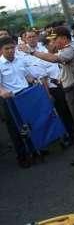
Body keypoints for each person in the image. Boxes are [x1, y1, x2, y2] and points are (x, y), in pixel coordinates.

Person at [21, 26, 74, 166]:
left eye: (56, 39)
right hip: (73, 89)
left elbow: (55, 59)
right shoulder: (65, 49)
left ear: (64, 38)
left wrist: (32, 51)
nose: (54, 42)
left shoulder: (70, 49)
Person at [0, 36, 36, 167]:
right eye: (6, 48)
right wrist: (3, 92)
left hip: (25, 96)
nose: (10, 50)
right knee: (15, 129)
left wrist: (34, 80)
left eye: (12, 48)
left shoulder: (20, 61)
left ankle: (36, 149)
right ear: (1, 50)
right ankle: (22, 156)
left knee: (30, 123)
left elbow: (27, 76)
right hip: (11, 100)